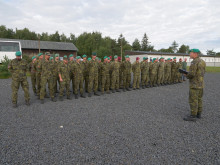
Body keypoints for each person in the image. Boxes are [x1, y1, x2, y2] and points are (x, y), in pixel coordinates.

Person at [183, 49, 206, 121]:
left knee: (193, 100)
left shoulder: (194, 62)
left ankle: (193, 115)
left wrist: (186, 74)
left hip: (194, 84)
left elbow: (191, 74)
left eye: (190, 53)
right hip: (200, 84)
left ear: (195, 54)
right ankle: (199, 114)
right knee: (199, 99)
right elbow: (203, 72)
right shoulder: (202, 61)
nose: (189, 54)